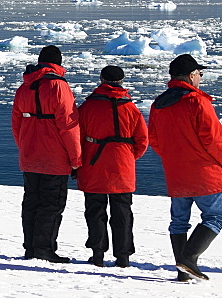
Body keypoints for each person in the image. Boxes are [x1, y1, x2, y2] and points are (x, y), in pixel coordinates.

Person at [148, 53, 222, 281]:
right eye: (200, 73)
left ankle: (183, 271)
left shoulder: (158, 104)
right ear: (191, 75)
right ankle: (188, 258)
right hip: (205, 173)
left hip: (175, 173)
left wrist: (174, 158)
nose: (200, 78)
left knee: (179, 220)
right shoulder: (197, 101)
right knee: (215, 216)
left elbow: (155, 140)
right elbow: (214, 139)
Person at [11, 45, 81, 263]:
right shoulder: (59, 87)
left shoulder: (24, 87)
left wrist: (25, 147)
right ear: (58, 63)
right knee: (51, 204)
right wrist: (76, 159)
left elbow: (16, 124)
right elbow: (69, 126)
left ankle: (30, 248)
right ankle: (44, 249)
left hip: (29, 156)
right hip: (55, 158)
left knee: (31, 202)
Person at [76, 65, 148, 268]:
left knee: (95, 210)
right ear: (122, 81)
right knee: (123, 213)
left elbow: (77, 138)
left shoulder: (88, 107)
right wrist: (128, 157)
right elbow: (142, 141)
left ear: (101, 80)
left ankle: (98, 253)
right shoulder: (131, 108)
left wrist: (77, 162)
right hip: (122, 166)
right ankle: (123, 256)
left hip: (94, 165)